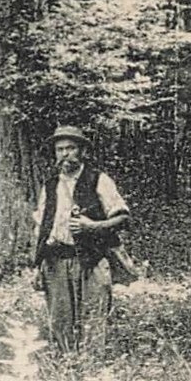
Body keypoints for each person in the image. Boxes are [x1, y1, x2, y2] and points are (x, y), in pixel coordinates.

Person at [30, 125, 131, 353]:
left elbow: (123, 217)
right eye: (60, 149)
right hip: (56, 261)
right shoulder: (50, 186)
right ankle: (66, 368)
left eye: (71, 148)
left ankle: (92, 368)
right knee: (59, 320)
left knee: (93, 318)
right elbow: (42, 227)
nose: (65, 154)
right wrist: (37, 265)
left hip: (92, 260)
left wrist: (93, 226)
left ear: (82, 151)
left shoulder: (99, 180)